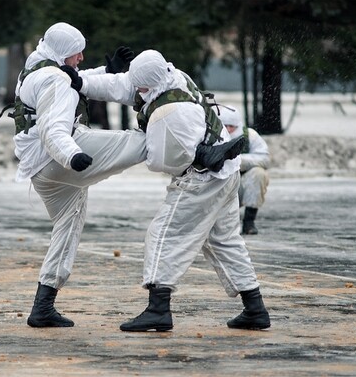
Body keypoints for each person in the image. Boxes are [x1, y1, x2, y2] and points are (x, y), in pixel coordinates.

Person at [77, 49, 271, 331]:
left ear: (151, 83)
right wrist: (80, 81)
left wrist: (141, 140)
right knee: (224, 240)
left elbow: (159, 161)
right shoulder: (174, 77)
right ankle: (255, 309)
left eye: (141, 87)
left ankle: (158, 309)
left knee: (164, 235)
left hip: (201, 180)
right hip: (226, 176)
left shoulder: (170, 112)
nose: (137, 91)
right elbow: (121, 86)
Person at [13, 22, 148, 328]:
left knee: (67, 227)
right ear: (63, 52)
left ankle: (43, 306)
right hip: (59, 156)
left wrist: (107, 71)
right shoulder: (54, 79)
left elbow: (74, 79)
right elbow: (53, 128)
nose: (82, 58)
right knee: (140, 142)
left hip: (39, 170)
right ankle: (197, 151)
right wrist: (72, 156)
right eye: (78, 52)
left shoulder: (35, 68)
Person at [218, 106, 270, 235]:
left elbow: (264, 159)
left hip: (241, 184)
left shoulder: (249, 135)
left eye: (232, 126)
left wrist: (238, 161)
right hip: (219, 184)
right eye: (225, 126)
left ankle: (249, 221)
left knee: (259, 174)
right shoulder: (213, 136)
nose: (229, 130)